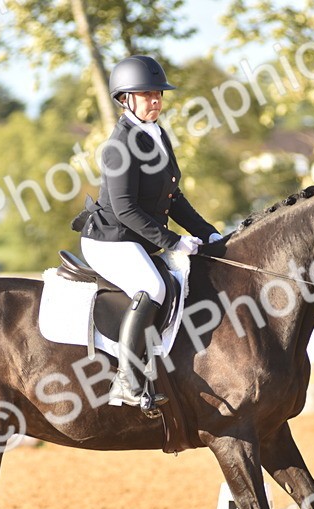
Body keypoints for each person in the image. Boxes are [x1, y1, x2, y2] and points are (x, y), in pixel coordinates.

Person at [75, 55, 222, 410]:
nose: (155, 100)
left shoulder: (157, 134)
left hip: (136, 238)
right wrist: (173, 241)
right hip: (110, 239)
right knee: (153, 286)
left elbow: (173, 198)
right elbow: (125, 209)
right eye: (146, 95)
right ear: (126, 99)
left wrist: (209, 233)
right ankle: (126, 380)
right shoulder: (119, 145)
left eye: (158, 93)